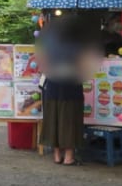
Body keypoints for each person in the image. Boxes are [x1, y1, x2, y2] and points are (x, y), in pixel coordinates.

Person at [38, 17, 95, 166]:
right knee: (70, 120)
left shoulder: (49, 44)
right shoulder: (78, 45)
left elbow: (42, 65)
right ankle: (69, 156)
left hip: (52, 87)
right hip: (71, 87)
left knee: (53, 120)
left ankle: (57, 155)